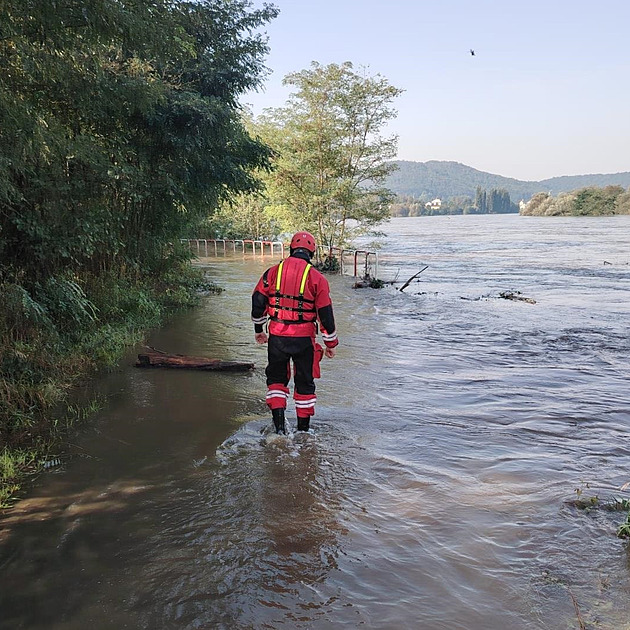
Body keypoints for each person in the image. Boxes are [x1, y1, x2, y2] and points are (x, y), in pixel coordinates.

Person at [251, 231, 339, 434]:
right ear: (312, 253)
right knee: (305, 383)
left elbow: (257, 301)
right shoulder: (317, 278)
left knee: (276, 380)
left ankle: (280, 431)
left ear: (291, 249)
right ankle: (303, 433)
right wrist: (330, 344)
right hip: (304, 340)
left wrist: (258, 330)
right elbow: (325, 314)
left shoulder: (272, 273)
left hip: (277, 337)